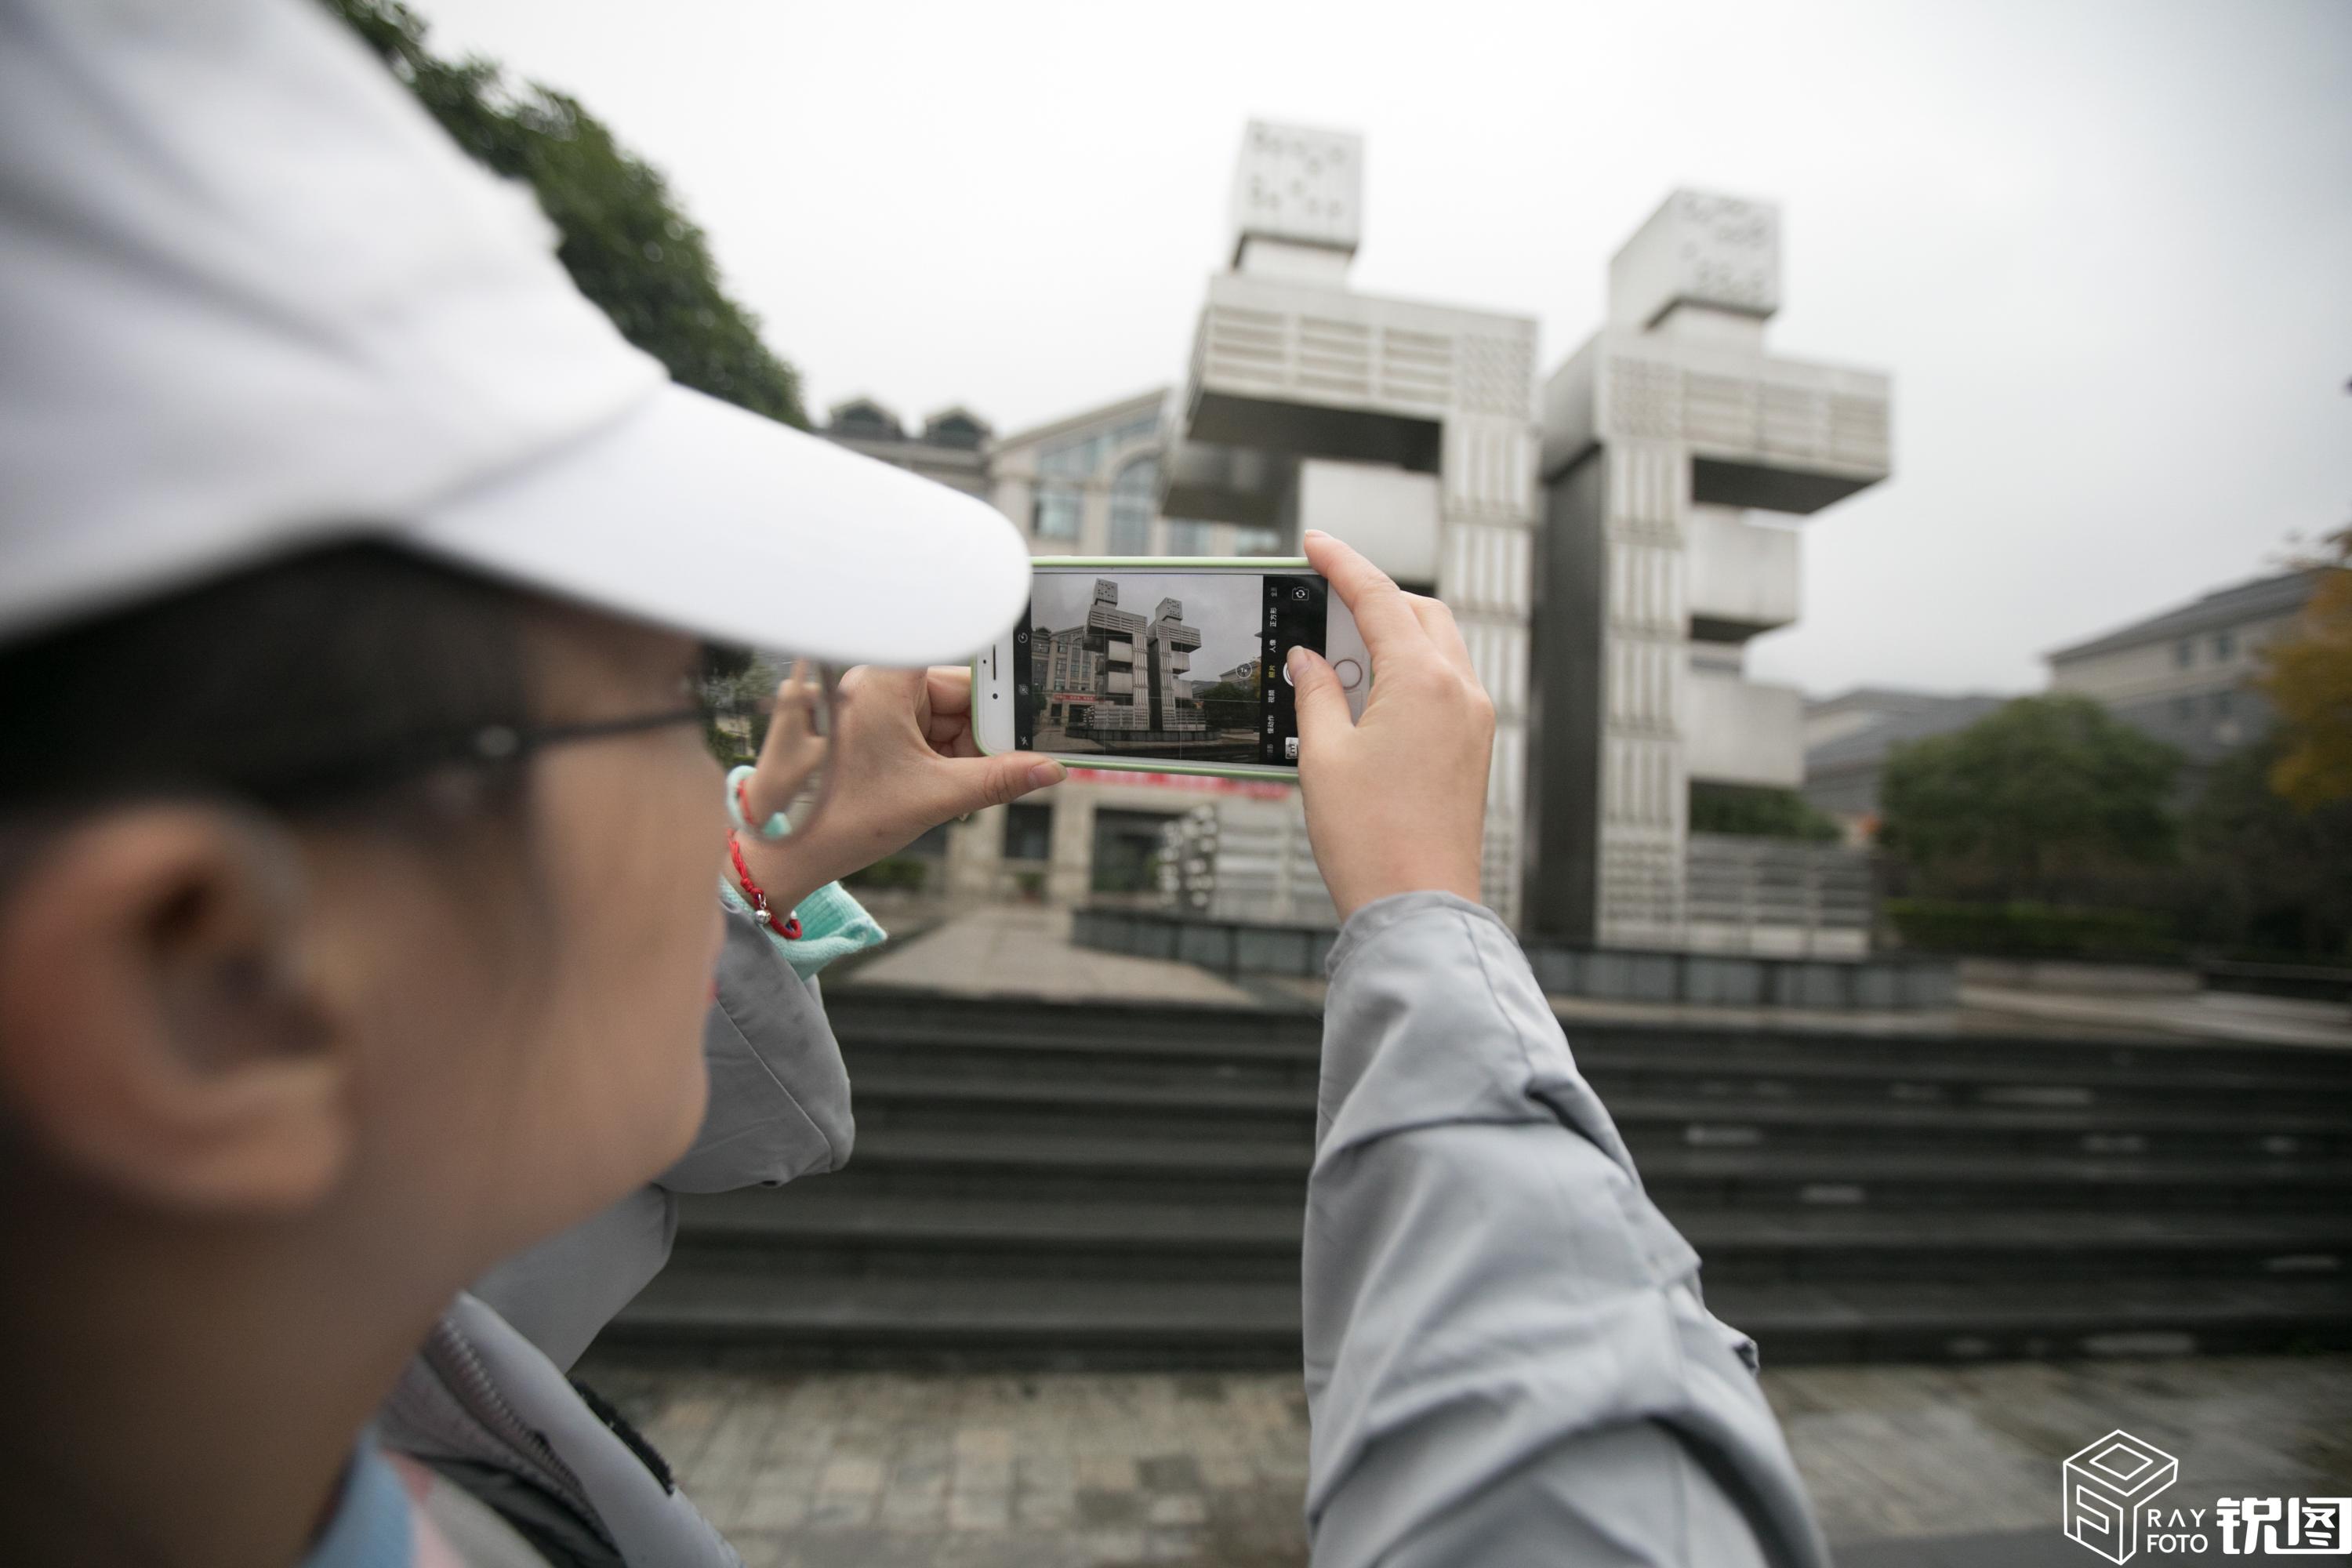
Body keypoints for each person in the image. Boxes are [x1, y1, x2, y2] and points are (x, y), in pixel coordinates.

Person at [0, 2, 1831, 1566]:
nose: (734, 766)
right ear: (211, 979)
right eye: (660, 698)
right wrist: (1427, 923)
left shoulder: (243, 1382)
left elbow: (503, 1203)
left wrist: (767, 880)